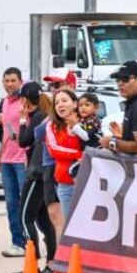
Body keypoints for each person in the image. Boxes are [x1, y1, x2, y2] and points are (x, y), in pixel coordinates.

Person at [15, 84, 57, 273]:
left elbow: (24, 141)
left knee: (25, 217)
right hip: (42, 171)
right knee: (43, 220)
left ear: (25, 99)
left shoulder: (39, 116)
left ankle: (32, 261)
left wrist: (23, 121)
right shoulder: (44, 114)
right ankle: (51, 262)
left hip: (37, 172)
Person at [0, 67, 28, 257]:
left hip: (23, 159)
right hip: (7, 159)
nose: (9, 84)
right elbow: (6, 133)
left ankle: (34, 242)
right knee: (11, 203)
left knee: (28, 204)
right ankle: (17, 242)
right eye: (6, 81)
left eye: (13, 80)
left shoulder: (26, 102)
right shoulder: (5, 102)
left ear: (21, 81)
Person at [99, 60, 137, 155]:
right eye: (118, 80)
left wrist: (111, 143)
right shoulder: (135, 102)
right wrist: (122, 136)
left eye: (125, 79)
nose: (120, 83)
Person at [46, 89, 83, 219]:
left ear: (75, 104)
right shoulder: (51, 125)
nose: (60, 105)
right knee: (70, 227)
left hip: (86, 183)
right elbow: (54, 150)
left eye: (64, 101)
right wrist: (79, 155)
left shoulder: (85, 123)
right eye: (56, 103)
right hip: (65, 183)